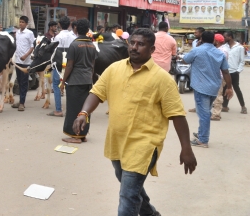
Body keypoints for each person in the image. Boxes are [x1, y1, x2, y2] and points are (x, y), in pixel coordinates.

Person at [73, 28, 197, 216]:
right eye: (132, 43)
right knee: (128, 185)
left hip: (144, 145)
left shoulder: (162, 79)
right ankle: (150, 213)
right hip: (118, 140)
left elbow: (177, 115)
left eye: (141, 44)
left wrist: (186, 148)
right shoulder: (114, 69)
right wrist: (83, 112)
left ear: (152, 49)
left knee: (128, 195)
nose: (134, 47)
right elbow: (97, 92)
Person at [183, 31, 233, 148]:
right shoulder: (219, 53)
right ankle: (201, 133)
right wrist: (229, 87)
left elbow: (185, 59)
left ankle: (203, 140)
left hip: (201, 87)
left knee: (204, 114)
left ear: (201, 39)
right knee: (206, 111)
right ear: (213, 40)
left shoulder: (197, 50)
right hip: (214, 87)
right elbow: (226, 71)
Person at [60, 18, 97, 144]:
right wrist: (90, 80)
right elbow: (92, 66)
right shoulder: (92, 45)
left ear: (75, 29)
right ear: (87, 30)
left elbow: (69, 66)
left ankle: (75, 136)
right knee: (84, 109)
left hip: (75, 81)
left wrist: (63, 81)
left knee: (73, 109)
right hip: (87, 81)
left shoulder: (74, 45)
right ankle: (83, 134)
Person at [48, 16, 76, 116]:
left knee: (56, 85)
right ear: (69, 25)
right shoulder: (73, 37)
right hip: (71, 64)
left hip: (59, 65)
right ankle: (70, 111)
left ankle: (58, 110)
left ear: (59, 25)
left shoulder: (57, 37)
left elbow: (54, 52)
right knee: (69, 86)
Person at [10, 16, 36, 112]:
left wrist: (26, 55)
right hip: (17, 60)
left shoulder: (29, 33)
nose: (21, 23)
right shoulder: (17, 33)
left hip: (26, 62)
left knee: (24, 82)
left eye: (22, 22)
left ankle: (22, 103)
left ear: (26, 24)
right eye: (20, 22)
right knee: (20, 81)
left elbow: (32, 46)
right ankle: (20, 100)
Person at [222, 31, 246, 114]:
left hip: (234, 72)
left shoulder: (239, 47)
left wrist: (238, 71)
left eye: (225, 37)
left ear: (230, 37)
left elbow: (242, 61)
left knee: (236, 89)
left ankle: (243, 106)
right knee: (226, 88)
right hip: (225, 71)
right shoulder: (224, 47)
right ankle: (225, 106)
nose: (223, 38)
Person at [210, 34, 230, 121]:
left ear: (217, 41)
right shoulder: (220, 50)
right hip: (217, 75)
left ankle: (216, 114)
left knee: (218, 95)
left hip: (219, 76)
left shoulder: (220, 51)